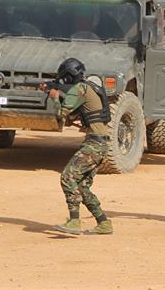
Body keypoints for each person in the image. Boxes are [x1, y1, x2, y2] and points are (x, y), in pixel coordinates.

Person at [49, 58, 114, 236]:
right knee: (82, 186)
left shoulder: (79, 89)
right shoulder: (90, 87)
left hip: (94, 144)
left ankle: (74, 221)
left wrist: (55, 98)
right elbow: (76, 114)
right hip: (101, 143)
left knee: (67, 177)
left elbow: (61, 116)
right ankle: (103, 222)